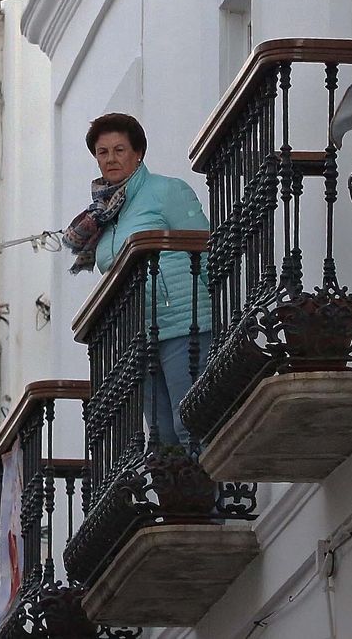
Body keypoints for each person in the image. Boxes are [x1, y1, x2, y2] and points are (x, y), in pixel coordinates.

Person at [62, 113, 213, 450]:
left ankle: (211, 500)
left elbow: (206, 250)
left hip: (185, 324)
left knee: (190, 422)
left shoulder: (166, 191)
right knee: (161, 437)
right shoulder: (104, 214)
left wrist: (225, 314)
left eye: (119, 149)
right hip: (140, 335)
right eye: (103, 152)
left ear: (138, 153)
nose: (111, 159)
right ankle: (177, 502)